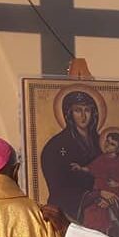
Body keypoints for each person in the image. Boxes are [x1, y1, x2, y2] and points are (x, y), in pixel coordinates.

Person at [41, 90, 102, 218]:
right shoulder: (55, 146)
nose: (83, 116)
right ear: (69, 114)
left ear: (93, 113)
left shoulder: (102, 142)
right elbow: (58, 190)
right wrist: (94, 195)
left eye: (87, 110)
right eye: (78, 110)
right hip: (74, 209)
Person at [75, 130, 119, 237]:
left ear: (118, 149)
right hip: (98, 194)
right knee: (90, 212)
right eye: (107, 141)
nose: (107, 144)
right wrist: (80, 168)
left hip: (115, 196)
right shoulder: (101, 159)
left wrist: (118, 184)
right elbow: (91, 168)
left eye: (112, 144)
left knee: (106, 215)